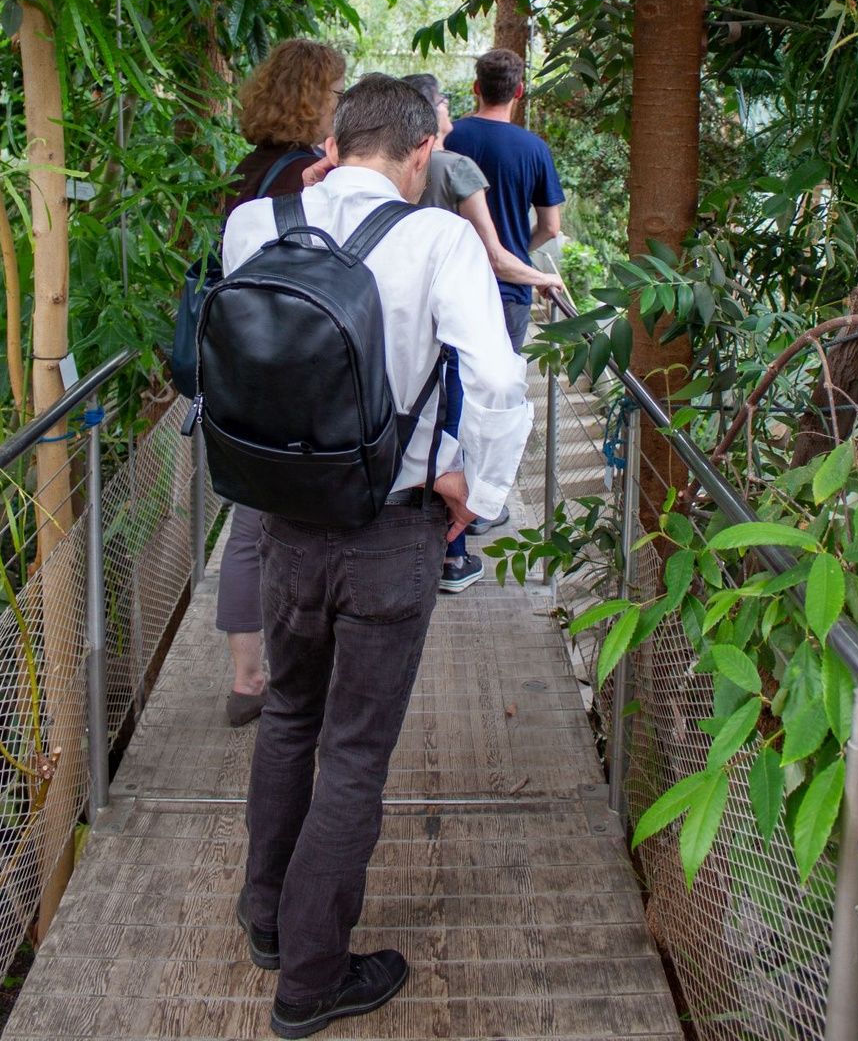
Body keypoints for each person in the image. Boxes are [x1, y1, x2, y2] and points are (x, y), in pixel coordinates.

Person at [224, 74, 531, 1038]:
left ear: (334, 141)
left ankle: (267, 917)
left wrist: (306, 191)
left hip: (283, 521)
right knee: (354, 753)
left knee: (288, 716)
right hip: (392, 532)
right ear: (422, 151)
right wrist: (479, 494)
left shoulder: (256, 223)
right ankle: (312, 979)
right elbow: (497, 382)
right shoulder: (438, 238)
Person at [217, 38, 345, 728]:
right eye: (336, 92)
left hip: (240, 363)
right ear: (315, 97)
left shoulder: (244, 171)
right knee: (282, 522)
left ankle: (247, 676)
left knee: (247, 521)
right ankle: (282, 677)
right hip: (290, 368)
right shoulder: (303, 177)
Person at [401, 72, 561, 590]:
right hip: (476, 304)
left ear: (477, 88)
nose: (450, 113)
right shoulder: (458, 165)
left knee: (416, 413)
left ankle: (419, 528)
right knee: (469, 411)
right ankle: (460, 536)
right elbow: (505, 250)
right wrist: (537, 274)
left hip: (401, 315)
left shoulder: (386, 170)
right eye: (443, 105)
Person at [444, 48, 564, 530]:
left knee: (448, 388)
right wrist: (518, 251)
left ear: (476, 87)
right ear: (519, 91)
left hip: (451, 281)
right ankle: (478, 505)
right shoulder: (534, 149)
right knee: (494, 401)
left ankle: (442, 489)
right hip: (507, 290)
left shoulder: (450, 137)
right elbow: (551, 227)